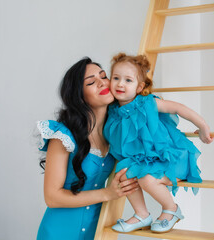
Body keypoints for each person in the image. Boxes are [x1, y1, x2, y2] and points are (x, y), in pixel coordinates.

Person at [104, 53, 213, 233]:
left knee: (147, 179)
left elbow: (178, 108)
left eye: (128, 80)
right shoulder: (113, 111)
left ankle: (172, 209)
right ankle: (141, 214)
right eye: (116, 78)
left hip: (169, 157)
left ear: (139, 87)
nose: (120, 84)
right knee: (123, 175)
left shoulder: (147, 103)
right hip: (143, 161)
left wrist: (202, 126)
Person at [35, 57, 139, 240]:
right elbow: (52, 197)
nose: (102, 83)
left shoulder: (115, 133)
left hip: (96, 232)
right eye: (91, 82)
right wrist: (107, 194)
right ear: (79, 97)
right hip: (58, 233)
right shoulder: (63, 136)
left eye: (104, 76)